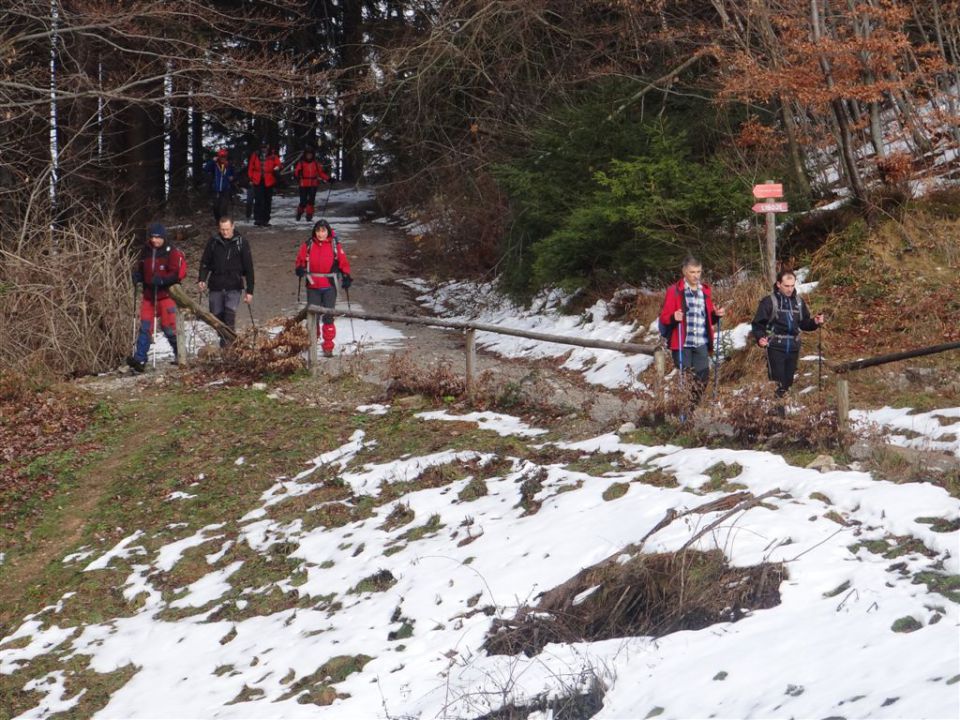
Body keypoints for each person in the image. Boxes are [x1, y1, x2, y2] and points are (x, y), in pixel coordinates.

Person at [658, 255, 726, 405]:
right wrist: (673, 317)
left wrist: (716, 315)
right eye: (692, 272)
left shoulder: (705, 292)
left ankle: (690, 409)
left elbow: (707, 318)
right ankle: (683, 413)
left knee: (703, 377)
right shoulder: (674, 291)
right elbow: (664, 318)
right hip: (682, 343)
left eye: (698, 272)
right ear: (684, 271)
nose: (696, 276)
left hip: (700, 341)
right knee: (686, 379)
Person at [751, 270, 824, 399]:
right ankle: (777, 416)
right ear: (778, 284)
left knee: (788, 383)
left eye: (792, 285)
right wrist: (760, 338)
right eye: (786, 286)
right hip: (775, 347)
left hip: (793, 348)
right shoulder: (768, 302)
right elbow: (758, 324)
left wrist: (815, 322)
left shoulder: (799, 302)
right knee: (777, 384)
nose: (790, 289)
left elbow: (804, 324)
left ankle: (777, 415)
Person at [126, 224, 187, 373]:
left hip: (165, 295)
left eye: (158, 237)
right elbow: (140, 268)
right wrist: (138, 277)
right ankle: (140, 359)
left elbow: (176, 274)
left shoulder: (171, 252)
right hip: (148, 295)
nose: (155, 240)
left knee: (168, 327)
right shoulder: (146, 251)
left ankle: (180, 354)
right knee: (145, 327)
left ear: (163, 237)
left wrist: (162, 280)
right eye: (153, 237)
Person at [295, 219, 352, 357]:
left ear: (328, 231)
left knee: (328, 317)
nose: (320, 234)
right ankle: (312, 343)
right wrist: (300, 269)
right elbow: (299, 261)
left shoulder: (335, 246)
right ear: (315, 232)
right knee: (313, 317)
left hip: (329, 285)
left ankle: (328, 347)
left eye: (323, 231)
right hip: (313, 284)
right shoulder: (308, 245)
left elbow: (343, 262)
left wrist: (346, 276)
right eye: (318, 231)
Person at [198, 216, 255, 346]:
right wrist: (202, 279)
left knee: (229, 317)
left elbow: (249, 268)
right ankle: (227, 342)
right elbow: (205, 262)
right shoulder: (213, 241)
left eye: (227, 229)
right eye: (222, 229)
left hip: (234, 285)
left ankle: (228, 349)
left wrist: (250, 291)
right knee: (216, 319)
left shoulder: (241, 242)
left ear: (233, 227)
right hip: (216, 285)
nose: (225, 232)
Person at [247, 140, 282, 226]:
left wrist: (277, 167)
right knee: (258, 200)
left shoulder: (273, 155)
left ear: (268, 146)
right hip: (257, 180)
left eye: (265, 147)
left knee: (267, 200)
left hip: (269, 180)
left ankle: (266, 219)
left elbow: (279, 164)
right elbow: (251, 167)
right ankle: (258, 219)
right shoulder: (255, 155)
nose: (264, 149)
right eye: (262, 147)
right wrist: (250, 178)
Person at [293, 146, 331, 222]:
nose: (309, 156)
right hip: (303, 184)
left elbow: (321, 173)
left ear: (312, 155)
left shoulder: (316, 164)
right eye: (307, 154)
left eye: (310, 154)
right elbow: (296, 172)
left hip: (313, 184)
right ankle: (299, 213)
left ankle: (309, 215)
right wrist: (297, 175)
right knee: (303, 202)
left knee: (311, 201)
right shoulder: (301, 163)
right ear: (305, 155)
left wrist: (329, 179)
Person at [203, 148, 235, 222]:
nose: (223, 158)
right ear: (219, 157)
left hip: (225, 189)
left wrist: (232, 177)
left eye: (224, 156)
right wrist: (212, 161)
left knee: (223, 207)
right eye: (221, 156)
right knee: (216, 207)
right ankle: (218, 221)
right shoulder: (214, 165)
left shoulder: (229, 165)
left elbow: (234, 174)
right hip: (216, 189)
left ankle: (223, 222)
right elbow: (206, 169)